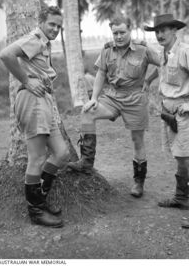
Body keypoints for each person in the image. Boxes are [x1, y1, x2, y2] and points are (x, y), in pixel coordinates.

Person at [68, 15, 160, 198]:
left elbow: (164, 63)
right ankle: (86, 162)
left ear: (130, 30)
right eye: (115, 33)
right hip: (113, 96)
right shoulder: (107, 50)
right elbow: (101, 73)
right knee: (87, 113)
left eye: (122, 32)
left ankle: (139, 182)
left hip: (135, 98)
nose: (118, 36)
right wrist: (94, 98)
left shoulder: (143, 49)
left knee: (137, 140)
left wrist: (149, 80)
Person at [0, 6, 70, 228]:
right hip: (33, 100)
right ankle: (36, 212)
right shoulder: (35, 39)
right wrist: (27, 80)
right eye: (52, 24)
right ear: (41, 21)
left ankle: (40, 198)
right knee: (37, 157)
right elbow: (6, 54)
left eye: (59, 26)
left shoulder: (44, 43)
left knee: (61, 153)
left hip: (44, 101)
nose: (56, 29)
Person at [144, 13, 189, 229]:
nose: (159, 34)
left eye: (164, 30)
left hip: (184, 112)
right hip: (168, 111)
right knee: (179, 155)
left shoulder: (186, 51)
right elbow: (162, 70)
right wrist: (147, 81)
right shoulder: (165, 52)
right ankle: (181, 197)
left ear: (174, 30)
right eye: (157, 31)